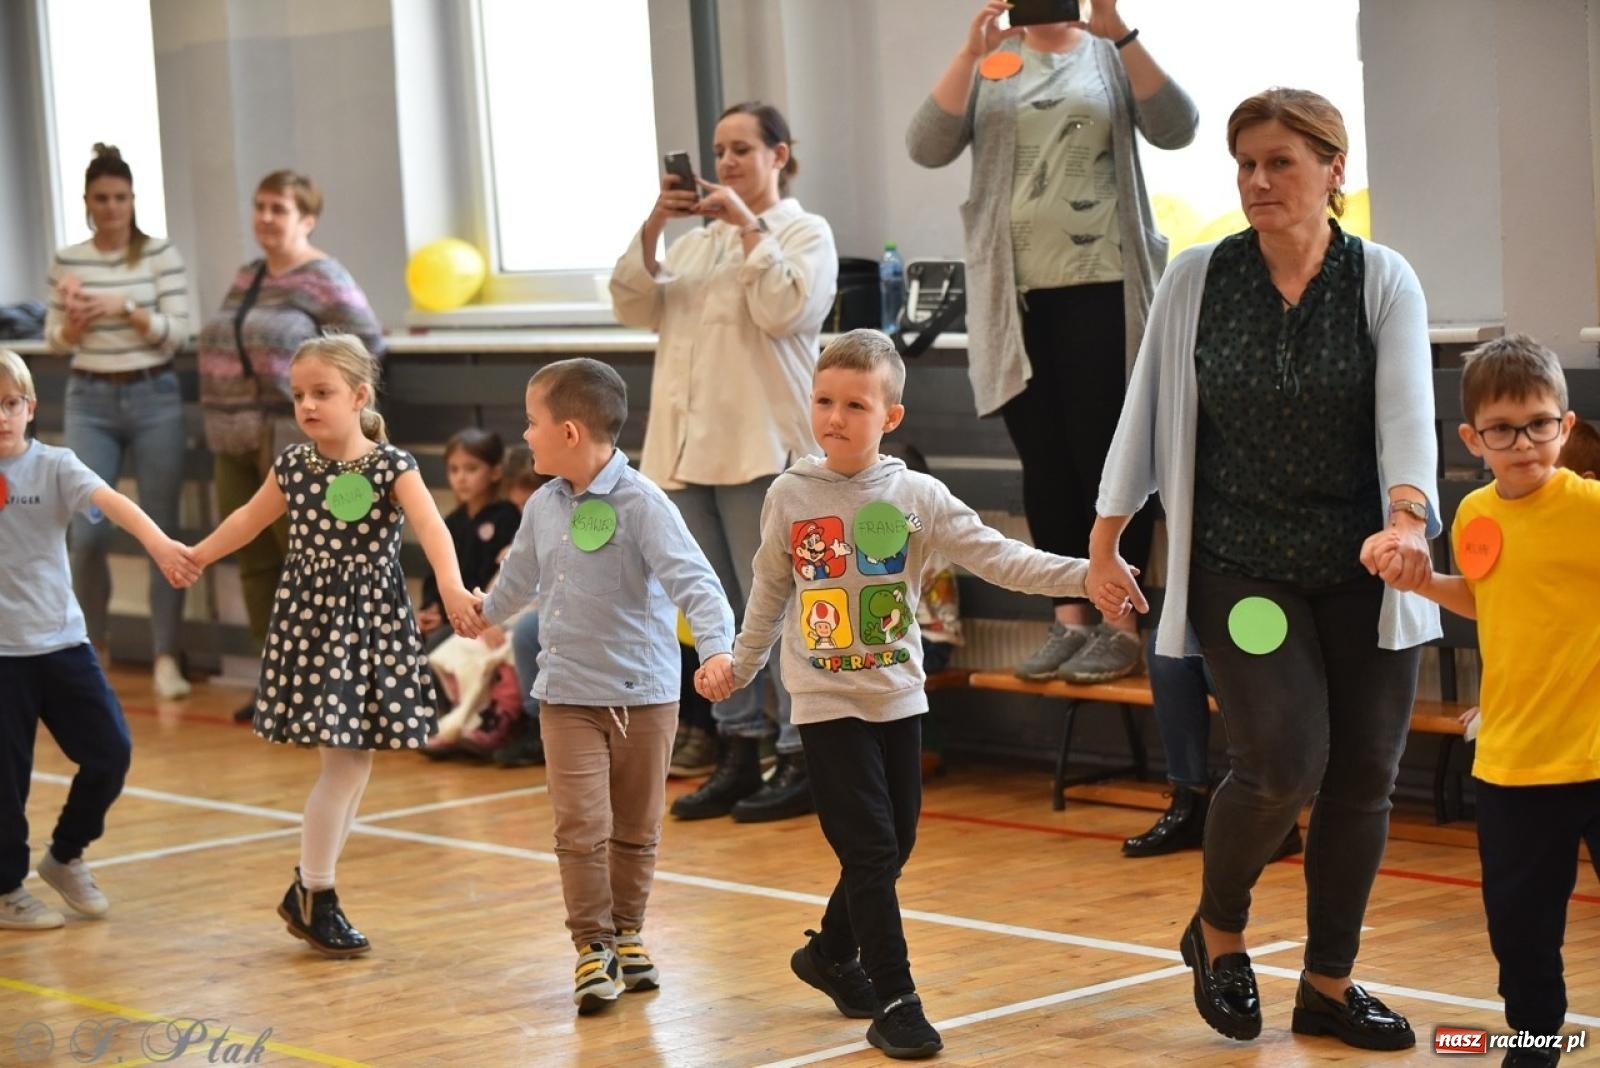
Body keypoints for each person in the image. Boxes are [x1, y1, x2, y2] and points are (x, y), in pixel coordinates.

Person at [1088, 89, 1438, 1050]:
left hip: (1365, 569)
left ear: (1334, 169)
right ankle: (1219, 931)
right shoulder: (1199, 277)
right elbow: (1143, 416)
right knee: (1282, 761)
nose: (1256, 181)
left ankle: (1328, 984)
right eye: (1245, 163)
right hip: (1242, 570)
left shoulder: (1384, 280)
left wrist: (1409, 517)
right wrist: (1106, 540)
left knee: (1366, 773)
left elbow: (1410, 414)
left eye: (1280, 161)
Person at [696, 330, 1090, 1060]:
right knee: (871, 849)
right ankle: (898, 1000)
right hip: (824, 701)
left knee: (895, 842)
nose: (835, 417)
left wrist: (1085, 575)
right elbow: (769, 593)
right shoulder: (789, 494)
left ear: (890, 417)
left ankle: (828, 955)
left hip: (898, 695)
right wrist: (737, 666)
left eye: (854, 404)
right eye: (823, 401)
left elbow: (1002, 558)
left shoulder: (916, 497)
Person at [906, 0, 1197, 684]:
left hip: (1106, 289)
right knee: (1046, 464)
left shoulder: (1106, 50)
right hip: (1015, 301)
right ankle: (1071, 617)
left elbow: (1177, 127)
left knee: (1111, 461)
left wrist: (1116, 28)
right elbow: (926, 145)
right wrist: (968, 52)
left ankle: (1121, 623)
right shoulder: (991, 61)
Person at [456, 357, 735, 1015]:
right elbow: (518, 580)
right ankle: (592, 947)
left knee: (635, 827)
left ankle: (629, 933)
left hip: (646, 697)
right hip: (567, 696)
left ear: (572, 432)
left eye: (533, 423)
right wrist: (483, 612)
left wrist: (718, 650)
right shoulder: (544, 508)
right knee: (580, 825)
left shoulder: (644, 504)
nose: (526, 436)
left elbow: (697, 583)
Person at [188, 335, 473, 957]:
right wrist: (198, 555)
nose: (308, 406)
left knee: (353, 764)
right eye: (298, 395)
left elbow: (431, 527)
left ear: (359, 396)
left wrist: (451, 589)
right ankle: (314, 891)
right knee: (344, 765)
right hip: (314, 628)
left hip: (370, 625)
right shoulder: (294, 465)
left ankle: (312, 891)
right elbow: (247, 519)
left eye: (322, 393)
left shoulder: (392, 466)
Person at [610, 101, 838, 823]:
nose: (728, 161)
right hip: (685, 452)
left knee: (781, 609)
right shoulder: (694, 245)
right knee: (716, 613)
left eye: (743, 148)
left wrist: (748, 227)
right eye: (719, 150)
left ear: (780, 154)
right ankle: (739, 747)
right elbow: (632, 303)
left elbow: (785, 312)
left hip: (761, 450)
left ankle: (802, 752)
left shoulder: (805, 232)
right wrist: (654, 224)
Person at [1375, 336, 1598, 1068]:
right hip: (1512, 763)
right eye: (1503, 429)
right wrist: (1422, 585)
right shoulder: (1473, 514)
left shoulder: (1592, 508)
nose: (1524, 442)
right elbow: (1485, 599)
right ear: (1473, 438)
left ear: (1565, 427)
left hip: (1595, 757)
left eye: (1540, 424)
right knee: (1521, 933)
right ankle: (1532, 1051)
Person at [0, 349, 197, 930]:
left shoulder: (55, 466)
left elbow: (112, 502)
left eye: (10, 404)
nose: (1, 416)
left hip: (62, 645)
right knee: (6, 783)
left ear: (30, 407)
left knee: (111, 752)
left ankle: (65, 855)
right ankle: (7, 889)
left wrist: (161, 544)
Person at [195, 170, 385, 722]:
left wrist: (333, 418)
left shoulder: (324, 277)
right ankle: (276, 682)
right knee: (253, 558)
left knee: (312, 563)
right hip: (233, 434)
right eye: (260, 206)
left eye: (279, 208)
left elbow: (366, 348)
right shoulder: (248, 274)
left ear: (307, 218)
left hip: (292, 436)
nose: (266, 217)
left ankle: (329, 688)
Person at [43, 144, 192, 699]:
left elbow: (179, 332)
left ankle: (165, 656)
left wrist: (124, 308)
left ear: (133, 201)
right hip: (91, 398)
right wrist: (77, 322)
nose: (112, 208)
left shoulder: (160, 255)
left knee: (162, 532)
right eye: (102, 199)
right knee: (87, 533)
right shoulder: (68, 259)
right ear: (87, 202)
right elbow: (56, 340)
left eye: (121, 198)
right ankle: (90, 654)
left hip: (155, 395)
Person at [1120, 631, 1302, 861]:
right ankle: (1189, 805)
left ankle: (1273, 811)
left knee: (1221, 661)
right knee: (1166, 646)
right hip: (1227, 615)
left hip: (1283, 624)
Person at [416, 428, 520, 648]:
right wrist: (432, 607)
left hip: (483, 618)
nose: (461, 478)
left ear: (495, 472)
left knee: (436, 647)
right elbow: (435, 573)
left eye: (471, 469)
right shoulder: (450, 522)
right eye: (454, 470)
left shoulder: (507, 517)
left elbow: (498, 577)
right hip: (451, 617)